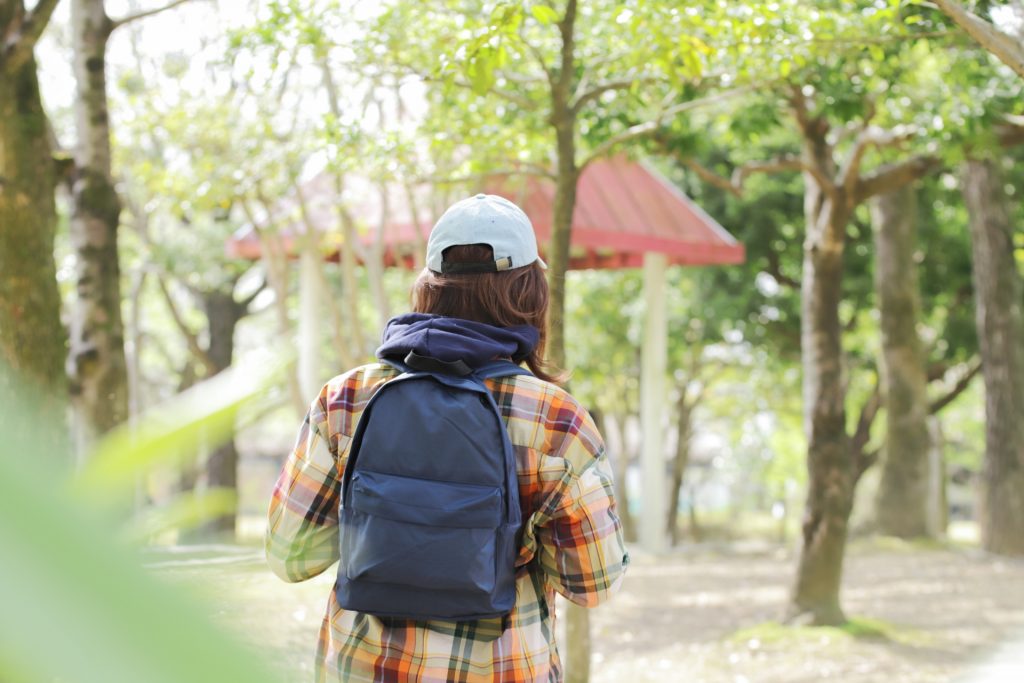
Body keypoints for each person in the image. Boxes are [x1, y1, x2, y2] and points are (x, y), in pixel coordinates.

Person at [266, 193, 629, 683]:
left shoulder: (346, 399)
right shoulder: (554, 420)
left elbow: (290, 555)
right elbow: (594, 582)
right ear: (529, 294)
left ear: (429, 286)